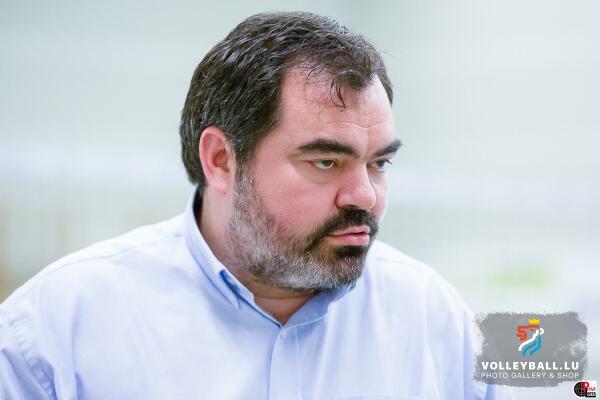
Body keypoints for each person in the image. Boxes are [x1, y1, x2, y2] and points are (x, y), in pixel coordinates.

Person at [0, 11, 511, 400]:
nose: (365, 196)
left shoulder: (435, 319)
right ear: (221, 160)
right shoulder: (54, 330)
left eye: (379, 163)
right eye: (326, 162)